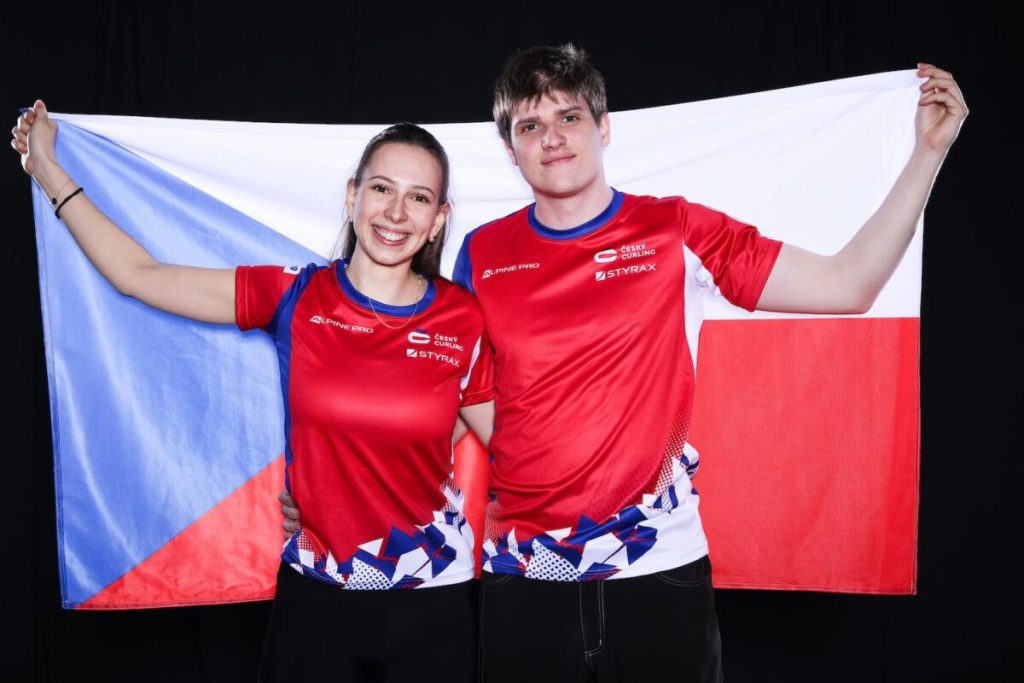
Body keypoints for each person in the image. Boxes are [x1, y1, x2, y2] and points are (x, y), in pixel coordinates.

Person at [281, 47, 966, 681]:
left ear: (603, 127)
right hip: (525, 580)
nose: (552, 137)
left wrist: (927, 155)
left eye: (569, 116)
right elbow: (446, 402)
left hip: (658, 571)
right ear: (511, 150)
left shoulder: (675, 230)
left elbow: (848, 284)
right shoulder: (481, 254)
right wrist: (339, 496)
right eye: (529, 125)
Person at [12, 103, 495, 682]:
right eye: (381, 188)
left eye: (418, 197)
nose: (396, 212)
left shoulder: (463, 319)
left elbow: (511, 447)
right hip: (316, 597)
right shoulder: (295, 296)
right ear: (352, 196)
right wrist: (48, 170)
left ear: (438, 220)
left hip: (435, 600)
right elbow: (138, 275)